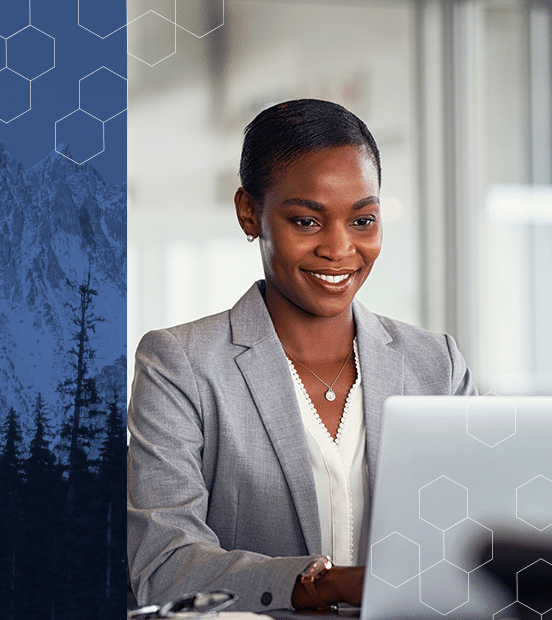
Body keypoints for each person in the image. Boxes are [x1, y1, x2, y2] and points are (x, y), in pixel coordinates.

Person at [127, 99, 478, 612]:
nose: (339, 249)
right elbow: (164, 566)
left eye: (362, 220)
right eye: (307, 222)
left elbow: (482, 535)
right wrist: (328, 585)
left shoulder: (436, 365)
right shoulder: (179, 365)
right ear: (250, 213)